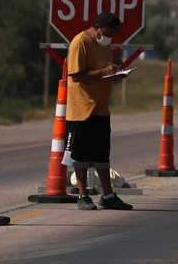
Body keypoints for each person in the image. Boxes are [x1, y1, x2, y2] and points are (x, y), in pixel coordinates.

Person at [63, 11, 133, 211]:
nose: (112, 37)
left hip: (101, 109)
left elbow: (103, 73)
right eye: (110, 31)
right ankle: (83, 195)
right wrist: (105, 72)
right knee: (81, 155)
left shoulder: (105, 46)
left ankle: (108, 195)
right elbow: (77, 75)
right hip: (81, 109)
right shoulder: (80, 42)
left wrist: (116, 75)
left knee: (102, 155)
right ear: (100, 27)